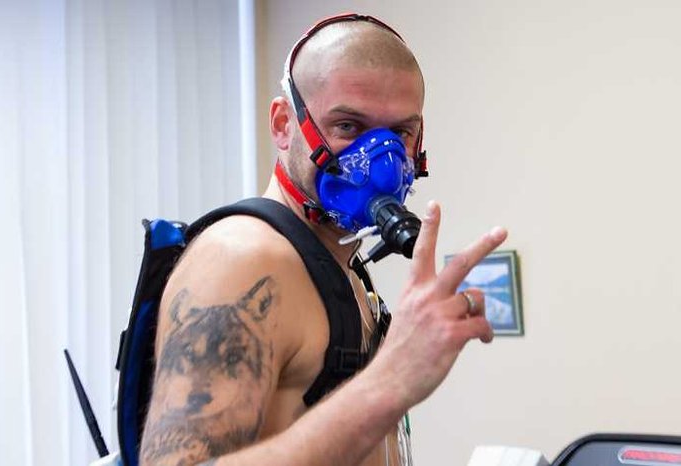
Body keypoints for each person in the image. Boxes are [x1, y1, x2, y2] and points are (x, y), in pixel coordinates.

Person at [139, 13, 507, 466]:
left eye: (399, 133)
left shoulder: (338, 261)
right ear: (283, 125)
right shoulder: (242, 260)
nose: (382, 161)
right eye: (348, 126)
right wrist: (392, 380)